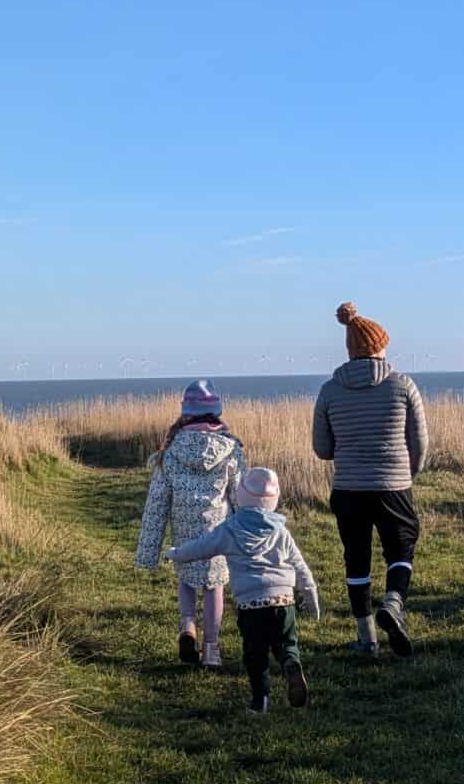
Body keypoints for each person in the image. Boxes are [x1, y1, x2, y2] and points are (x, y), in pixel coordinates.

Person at [311, 302, 427, 656]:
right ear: (380, 346)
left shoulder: (330, 390)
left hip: (348, 488)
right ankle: (393, 603)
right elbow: (419, 441)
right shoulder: (403, 385)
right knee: (401, 547)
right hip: (394, 485)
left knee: (356, 558)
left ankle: (367, 639)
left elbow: (322, 448)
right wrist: (409, 472)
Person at [166, 467, 320, 714]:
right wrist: (310, 595)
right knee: (286, 643)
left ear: (240, 496)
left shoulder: (230, 529)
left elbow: (201, 547)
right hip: (284, 600)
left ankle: (260, 702)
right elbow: (300, 566)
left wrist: (176, 554)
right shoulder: (281, 531)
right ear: (274, 498)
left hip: (251, 604)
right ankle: (291, 662)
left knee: (255, 655)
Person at [133, 381, 247, 669]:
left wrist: (149, 550)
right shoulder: (231, 449)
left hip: (183, 527)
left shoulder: (171, 450)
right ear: (216, 413)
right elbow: (239, 494)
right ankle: (211, 650)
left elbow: (158, 499)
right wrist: (247, 534)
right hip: (218, 529)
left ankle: (187, 628)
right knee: (215, 586)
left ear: (186, 413)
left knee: (186, 578)